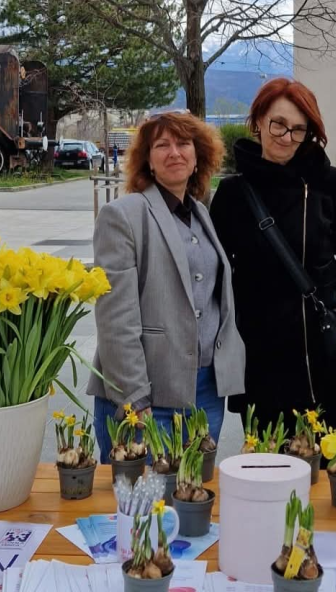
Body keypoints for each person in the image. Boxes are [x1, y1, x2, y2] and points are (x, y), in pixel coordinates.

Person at [210, 78, 336, 432]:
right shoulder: (233, 191)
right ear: (258, 123)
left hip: (319, 349)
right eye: (279, 124)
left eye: (299, 130)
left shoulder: (328, 182)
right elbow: (216, 271)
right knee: (264, 464)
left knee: (318, 462)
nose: (286, 137)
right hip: (259, 349)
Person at [86, 112, 244, 461]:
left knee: (191, 501)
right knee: (140, 510)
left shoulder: (201, 213)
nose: (175, 152)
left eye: (184, 143)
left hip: (205, 395)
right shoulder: (123, 215)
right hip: (145, 398)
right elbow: (115, 317)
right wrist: (133, 396)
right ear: (148, 161)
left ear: (198, 154)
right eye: (162, 145)